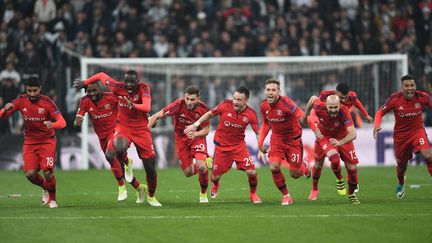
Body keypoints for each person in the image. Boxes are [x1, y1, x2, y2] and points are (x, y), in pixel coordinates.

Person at [73, 70, 161, 206]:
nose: (129, 85)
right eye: (127, 82)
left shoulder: (143, 88)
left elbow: (147, 106)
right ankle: (124, 178)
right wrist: (85, 82)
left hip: (141, 130)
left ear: (137, 82)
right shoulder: (116, 88)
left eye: (132, 82)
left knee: (150, 168)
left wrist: (138, 109)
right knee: (115, 155)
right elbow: (102, 75)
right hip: (123, 128)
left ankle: (150, 195)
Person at [184, 86, 262, 204]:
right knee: (215, 177)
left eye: (239, 100)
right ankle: (215, 184)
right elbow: (209, 114)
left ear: (246, 101)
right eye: (234, 98)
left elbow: (258, 133)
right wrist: (195, 125)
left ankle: (253, 194)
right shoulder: (225, 105)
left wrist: (261, 148)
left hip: (239, 147)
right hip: (222, 148)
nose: (235, 101)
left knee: (252, 172)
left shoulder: (251, 114)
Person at [0, 77, 66, 208]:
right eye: (29, 90)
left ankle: (52, 199)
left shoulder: (47, 102)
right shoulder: (20, 100)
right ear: (26, 89)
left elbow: (62, 122)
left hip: (47, 141)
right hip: (30, 142)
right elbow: (3, 116)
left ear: (40, 89)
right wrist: (5, 110)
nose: (32, 94)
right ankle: (45, 188)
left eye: (34, 90)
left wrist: (52, 124)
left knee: (48, 172)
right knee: (30, 174)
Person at [148, 85, 211, 203]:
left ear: (198, 98)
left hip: (197, 138)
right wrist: (147, 129)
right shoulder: (179, 104)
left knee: (201, 167)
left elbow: (206, 130)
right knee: (188, 173)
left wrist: (196, 135)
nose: (189, 102)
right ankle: (207, 162)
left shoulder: (204, 109)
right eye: (187, 98)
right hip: (180, 139)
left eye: (192, 99)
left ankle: (203, 194)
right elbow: (158, 115)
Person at [374, 74, 432, 198]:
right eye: (407, 86)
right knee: (402, 166)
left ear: (415, 86)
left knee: (428, 155)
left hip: (417, 132)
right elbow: (380, 112)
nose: (410, 88)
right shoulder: (394, 99)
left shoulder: (423, 97)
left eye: (412, 85)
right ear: (402, 87)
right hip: (401, 136)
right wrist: (376, 125)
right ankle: (401, 182)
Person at [257, 79, 310, 205]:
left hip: (293, 140)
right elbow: (265, 123)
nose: (270, 92)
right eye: (268, 90)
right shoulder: (263, 105)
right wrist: (260, 143)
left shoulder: (286, 103)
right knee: (274, 167)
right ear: (265, 91)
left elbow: (301, 115)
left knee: (295, 174)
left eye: (273, 90)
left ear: (279, 92)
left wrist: (312, 125)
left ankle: (304, 167)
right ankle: (286, 196)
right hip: (277, 139)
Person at [302, 95, 360, 204]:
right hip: (325, 137)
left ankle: (351, 193)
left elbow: (353, 134)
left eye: (335, 107)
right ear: (326, 105)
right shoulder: (319, 107)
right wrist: (305, 116)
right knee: (324, 162)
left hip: (343, 137)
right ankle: (318, 188)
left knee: (352, 171)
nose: (333, 110)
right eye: (330, 107)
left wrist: (340, 142)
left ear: (339, 105)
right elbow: (313, 98)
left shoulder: (344, 112)